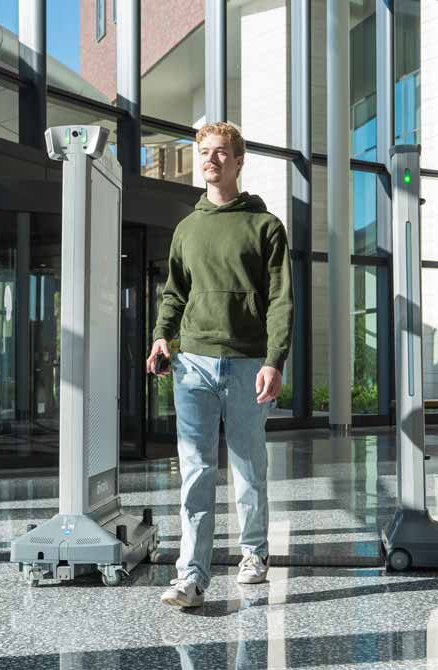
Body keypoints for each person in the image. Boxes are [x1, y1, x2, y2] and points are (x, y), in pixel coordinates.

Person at [146, 122, 293, 608]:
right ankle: (191, 575)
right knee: (196, 471)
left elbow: (280, 300)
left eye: (221, 152)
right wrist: (161, 337)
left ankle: (254, 553)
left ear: (239, 160)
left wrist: (275, 360)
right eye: (204, 152)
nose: (211, 160)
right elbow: (175, 292)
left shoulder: (265, 226)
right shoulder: (187, 229)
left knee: (249, 466)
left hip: (249, 362)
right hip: (193, 364)